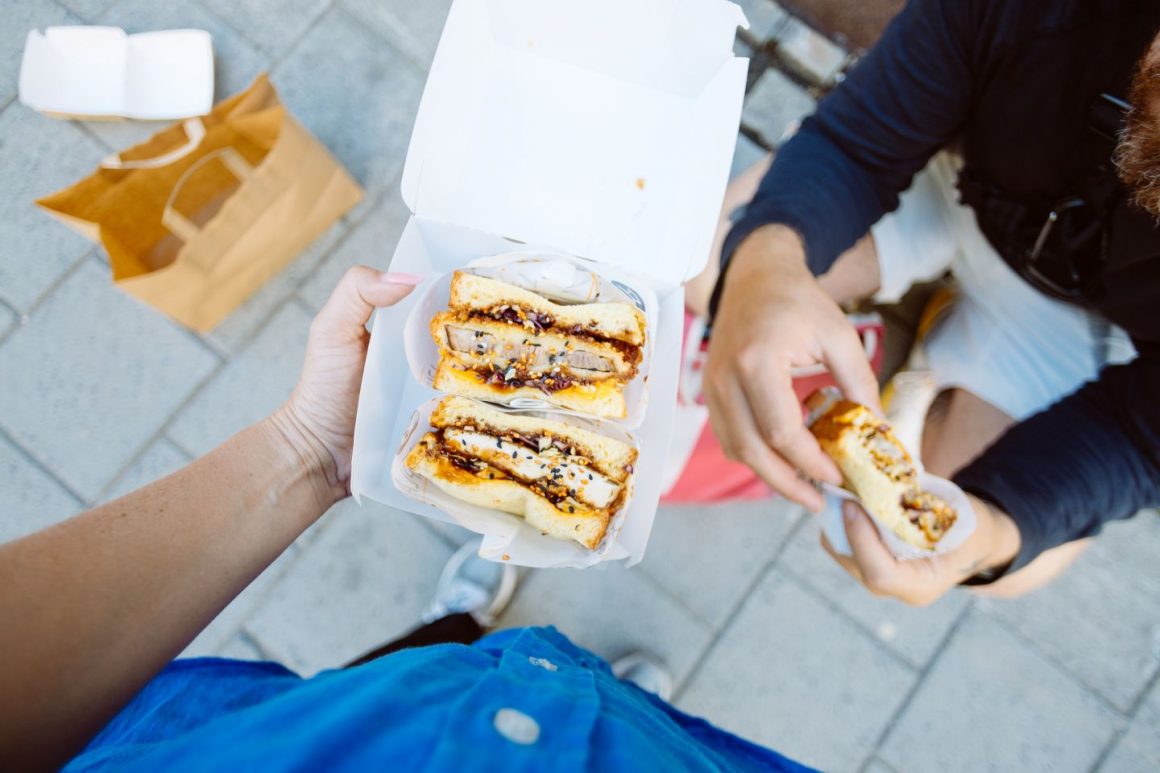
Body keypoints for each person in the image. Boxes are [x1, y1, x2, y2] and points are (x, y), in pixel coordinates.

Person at [0, 267, 811, 772]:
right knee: (638, 736)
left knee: (400, 677)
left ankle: (468, 636)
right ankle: (617, 719)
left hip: (282, 735)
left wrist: (306, 449)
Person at [698, 0, 1160, 604]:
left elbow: (1142, 435)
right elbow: (856, 143)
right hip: (948, 177)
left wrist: (994, 528)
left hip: (1077, 323)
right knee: (709, 273)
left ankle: (929, 341)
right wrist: (766, 264)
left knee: (993, 560)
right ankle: (919, 324)